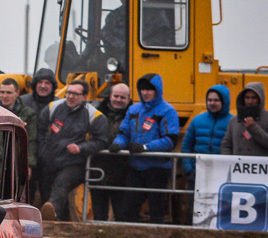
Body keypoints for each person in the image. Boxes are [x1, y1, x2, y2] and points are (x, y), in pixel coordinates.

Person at [110, 73, 180, 224]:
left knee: (156, 210)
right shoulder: (133, 109)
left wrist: (145, 147)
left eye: (149, 89)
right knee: (128, 210)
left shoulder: (168, 111)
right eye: (143, 89)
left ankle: (157, 236)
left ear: (157, 90)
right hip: (136, 167)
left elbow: (170, 140)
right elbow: (124, 133)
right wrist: (118, 144)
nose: (145, 93)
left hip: (158, 168)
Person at [35, 80, 109, 221]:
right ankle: (59, 222)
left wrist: (81, 148)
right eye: (68, 92)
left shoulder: (94, 115)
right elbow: (40, 131)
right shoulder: (52, 107)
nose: (70, 96)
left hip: (74, 163)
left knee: (61, 184)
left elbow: (101, 141)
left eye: (75, 94)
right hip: (51, 160)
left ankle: (52, 212)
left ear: (85, 96)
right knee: (47, 192)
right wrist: (44, 152)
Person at [90, 83, 132, 221]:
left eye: (123, 97)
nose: (118, 100)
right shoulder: (96, 113)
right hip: (98, 170)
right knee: (99, 214)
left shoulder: (133, 116)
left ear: (128, 99)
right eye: (116, 96)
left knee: (122, 215)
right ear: (110, 96)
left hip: (122, 173)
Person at [181, 84, 231, 177]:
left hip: (223, 174)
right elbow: (186, 146)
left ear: (224, 101)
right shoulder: (197, 120)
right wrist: (188, 169)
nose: (212, 103)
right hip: (197, 173)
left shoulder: (233, 122)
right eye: (209, 100)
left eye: (216, 100)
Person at [221, 82, 268, 157]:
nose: (250, 101)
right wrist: (229, 160)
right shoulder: (233, 120)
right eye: (247, 97)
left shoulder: (266, 118)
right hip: (237, 164)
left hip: (260, 164)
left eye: (253, 98)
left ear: (260, 98)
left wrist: (254, 128)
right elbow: (226, 145)